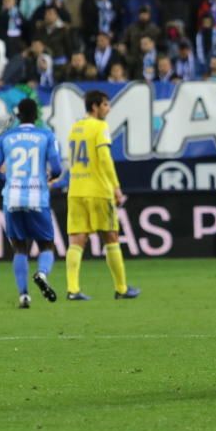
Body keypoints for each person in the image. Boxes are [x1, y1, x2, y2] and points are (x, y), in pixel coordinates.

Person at [64, 90, 140, 300]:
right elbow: (104, 158)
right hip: (98, 190)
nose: (108, 108)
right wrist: (115, 186)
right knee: (111, 237)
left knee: (77, 240)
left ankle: (72, 289)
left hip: (76, 190)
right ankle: (122, 288)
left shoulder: (74, 128)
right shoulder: (100, 127)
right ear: (95, 107)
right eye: (105, 104)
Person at [0, 99, 63, 308]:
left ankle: (24, 296)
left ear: (18, 115)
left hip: (11, 198)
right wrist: (46, 177)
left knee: (20, 249)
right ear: (36, 116)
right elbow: (56, 168)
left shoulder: (5, 138)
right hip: (37, 197)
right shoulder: (46, 135)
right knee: (47, 245)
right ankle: (41, 273)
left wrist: (10, 179)